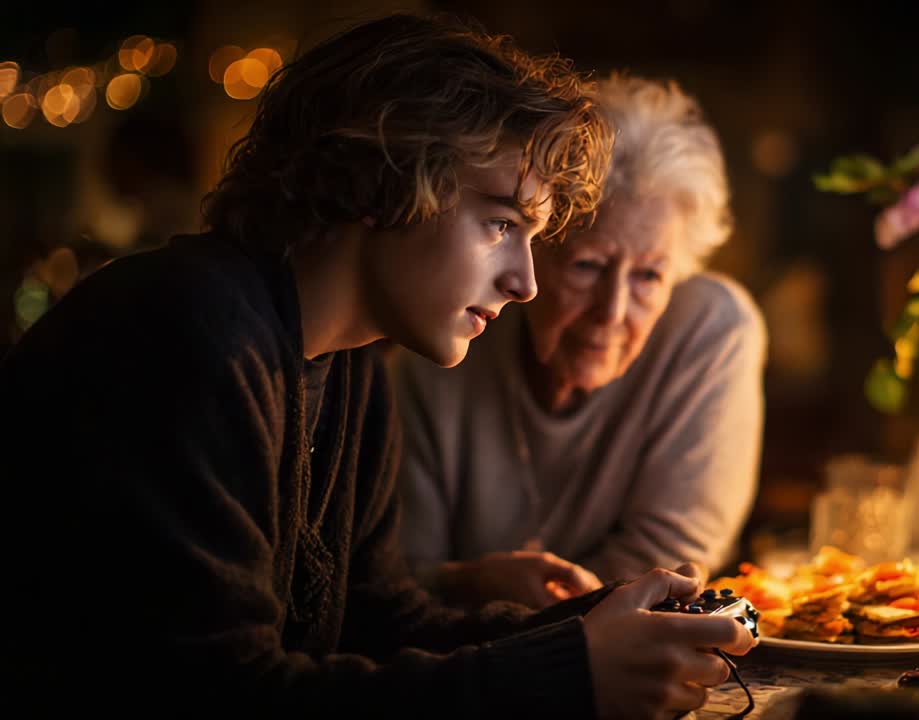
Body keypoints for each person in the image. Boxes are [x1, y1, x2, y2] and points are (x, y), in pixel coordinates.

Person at [0, 15, 753, 717]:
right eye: (500, 224)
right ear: (383, 181)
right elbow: (222, 690)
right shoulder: (186, 337)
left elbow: (376, 620)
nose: (524, 280)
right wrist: (568, 673)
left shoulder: (350, 361)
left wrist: (591, 623)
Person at [394, 74, 767, 610]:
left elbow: (670, 564)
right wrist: (470, 584)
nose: (612, 312)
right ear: (527, 252)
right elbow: (399, 579)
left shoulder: (712, 330)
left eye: (649, 277)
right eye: (588, 266)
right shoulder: (444, 340)